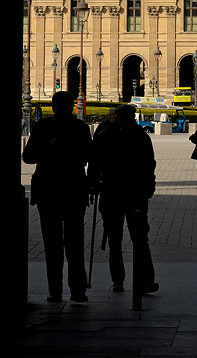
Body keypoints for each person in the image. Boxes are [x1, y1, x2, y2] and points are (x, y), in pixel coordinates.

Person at [22, 90, 93, 304]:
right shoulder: (79, 127)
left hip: (50, 190)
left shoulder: (44, 126)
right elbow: (91, 156)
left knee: (53, 244)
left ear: (52, 106)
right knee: (74, 243)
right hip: (71, 189)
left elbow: (27, 157)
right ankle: (77, 290)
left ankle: (56, 290)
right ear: (72, 106)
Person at [89, 104, 158, 299]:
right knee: (135, 239)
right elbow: (149, 165)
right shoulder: (140, 137)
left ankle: (120, 279)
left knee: (118, 240)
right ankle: (143, 280)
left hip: (115, 193)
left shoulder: (106, 136)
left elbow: (94, 163)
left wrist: (93, 183)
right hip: (132, 194)